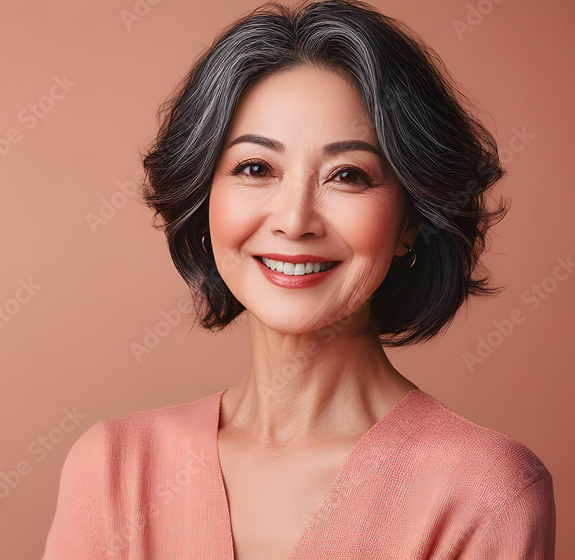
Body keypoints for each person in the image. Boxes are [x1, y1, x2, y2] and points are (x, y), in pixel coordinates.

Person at [41, 0, 556, 558]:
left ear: (410, 220)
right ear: (204, 197)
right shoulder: (114, 469)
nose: (294, 220)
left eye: (348, 175)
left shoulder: (485, 492)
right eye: (256, 168)